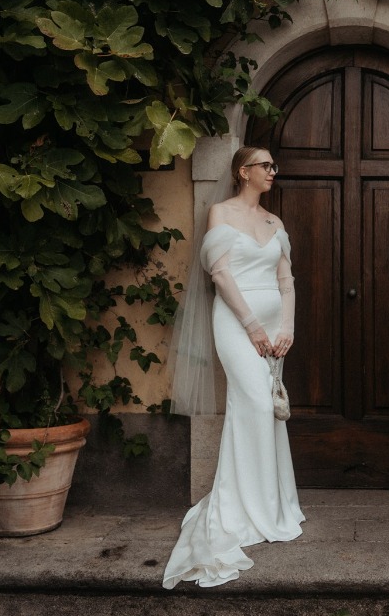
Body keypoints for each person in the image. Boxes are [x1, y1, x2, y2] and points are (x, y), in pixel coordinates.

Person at [163, 146, 305, 588]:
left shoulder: (274, 222)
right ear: (243, 172)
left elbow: (286, 280)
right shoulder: (220, 214)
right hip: (235, 323)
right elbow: (221, 276)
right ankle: (242, 508)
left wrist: (287, 328)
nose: (272, 172)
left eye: (273, 166)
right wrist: (252, 327)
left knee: (266, 410)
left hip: (272, 326)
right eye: (265, 166)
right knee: (257, 404)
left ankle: (272, 504)